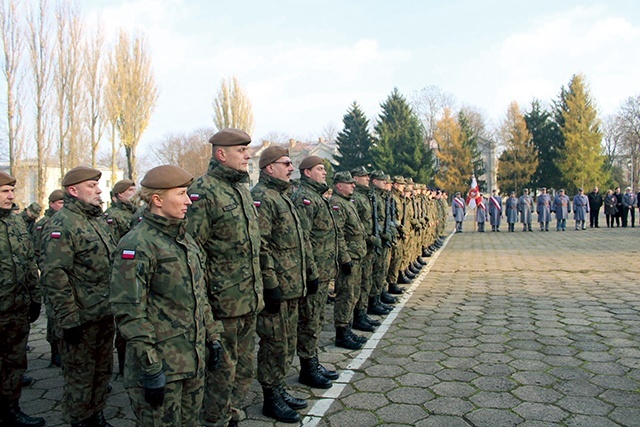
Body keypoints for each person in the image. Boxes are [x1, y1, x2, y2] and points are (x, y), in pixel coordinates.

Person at [110, 165, 223, 426]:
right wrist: (151, 367)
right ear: (157, 200)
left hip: (191, 360)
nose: (188, 201)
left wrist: (212, 336)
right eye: (181, 194)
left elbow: (199, 295)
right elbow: (130, 312)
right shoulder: (137, 244)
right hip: (162, 366)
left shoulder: (185, 240)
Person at [186, 128, 263, 427]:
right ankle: (214, 418)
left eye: (247, 150)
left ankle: (233, 410)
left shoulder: (241, 190)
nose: (247, 156)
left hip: (248, 297)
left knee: (244, 365)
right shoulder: (203, 191)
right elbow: (195, 252)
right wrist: (205, 304)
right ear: (221, 154)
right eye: (241, 151)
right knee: (221, 368)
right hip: (222, 302)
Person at [40, 166, 116, 427]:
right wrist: (68, 319)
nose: (98, 190)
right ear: (73, 191)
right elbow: (54, 276)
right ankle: (80, 419)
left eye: (98, 185)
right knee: (80, 377)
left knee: (102, 371)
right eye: (91, 186)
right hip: (81, 319)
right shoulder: (62, 224)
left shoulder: (96, 220)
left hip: (103, 314)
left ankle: (96, 414)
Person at [251, 146, 317, 423]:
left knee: (286, 342)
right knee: (274, 343)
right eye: (286, 163)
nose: (291, 168)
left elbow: (300, 241)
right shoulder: (263, 197)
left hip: (293, 283)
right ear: (269, 168)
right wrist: (270, 284)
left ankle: (279, 386)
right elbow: (261, 245)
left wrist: (310, 273)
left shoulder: (283, 196)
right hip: (278, 284)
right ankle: (270, 397)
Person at [291, 156, 340, 390]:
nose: (324, 172)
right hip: (314, 272)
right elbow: (304, 239)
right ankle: (307, 368)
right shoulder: (304, 198)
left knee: (317, 318)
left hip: (322, 271)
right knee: (309, 320)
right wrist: (311, 272)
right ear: (307, 172)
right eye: (320, 169)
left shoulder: (317, 197)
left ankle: (313, 361)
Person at [0, 172, 46, 427]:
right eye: (5, 191)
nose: (11, 196)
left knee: (15, 362)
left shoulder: (16, 223)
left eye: (11, 191)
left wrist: (35, 298)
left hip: (16, 308)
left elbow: (30, 262)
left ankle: (11, 410)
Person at [104, 179, 137, 376]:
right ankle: (124, 364)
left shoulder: (134, 213)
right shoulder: (112, 216)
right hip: (121, 272)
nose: (133, 193)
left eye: (134, 189)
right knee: (123, 325)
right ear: (118, 195)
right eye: (129, 190)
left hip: (134, 271)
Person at [350, 166, 384, 332]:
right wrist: (370, 238)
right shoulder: (355, 198)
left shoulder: (367, 197)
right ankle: (357, 316)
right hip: (360, 246)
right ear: (355, 179)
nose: (366, 179)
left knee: (367, 279)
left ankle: (363, 312)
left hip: (366, 247)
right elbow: (354, 226)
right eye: (363, 177)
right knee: (358, 284)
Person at [34, 189, 65, 368]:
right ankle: (55, 351)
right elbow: (38, 250)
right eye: (59, 203)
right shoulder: (45, 223)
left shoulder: (64, 221)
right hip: (50, 277)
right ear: (52, 204)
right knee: (53, 317)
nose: (62, 206)